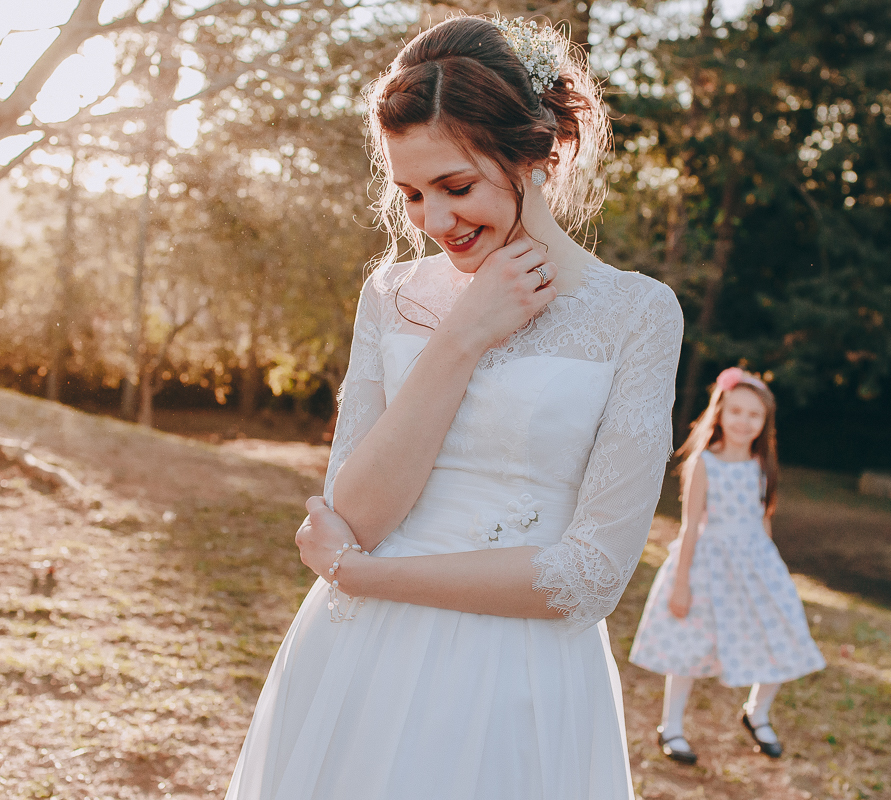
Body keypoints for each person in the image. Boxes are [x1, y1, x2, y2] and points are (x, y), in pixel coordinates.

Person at [222, 15, 683, 800]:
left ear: (539, 153)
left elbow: (589, 576)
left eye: (457, 187)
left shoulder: (637, 314)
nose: (436, 223)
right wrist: (462, 337)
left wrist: (366, 580)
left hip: (519, 683)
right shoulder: (392, 296)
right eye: (411, 194)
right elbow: (354, 515)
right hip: (357, 664)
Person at [628, 367, 825, 763]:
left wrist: (772, 570)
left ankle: (758, 713)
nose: (743, 421)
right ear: (720, 412)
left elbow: (762, 518)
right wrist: (681, 583)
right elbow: (689, 526)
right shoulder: (705, 463)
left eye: (754, 415)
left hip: (755, 561)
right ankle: (673, 727)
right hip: (709, 563)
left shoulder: (760, 465)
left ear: (765, 422)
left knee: (782, 629)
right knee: (690, 642)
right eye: (736, 411)